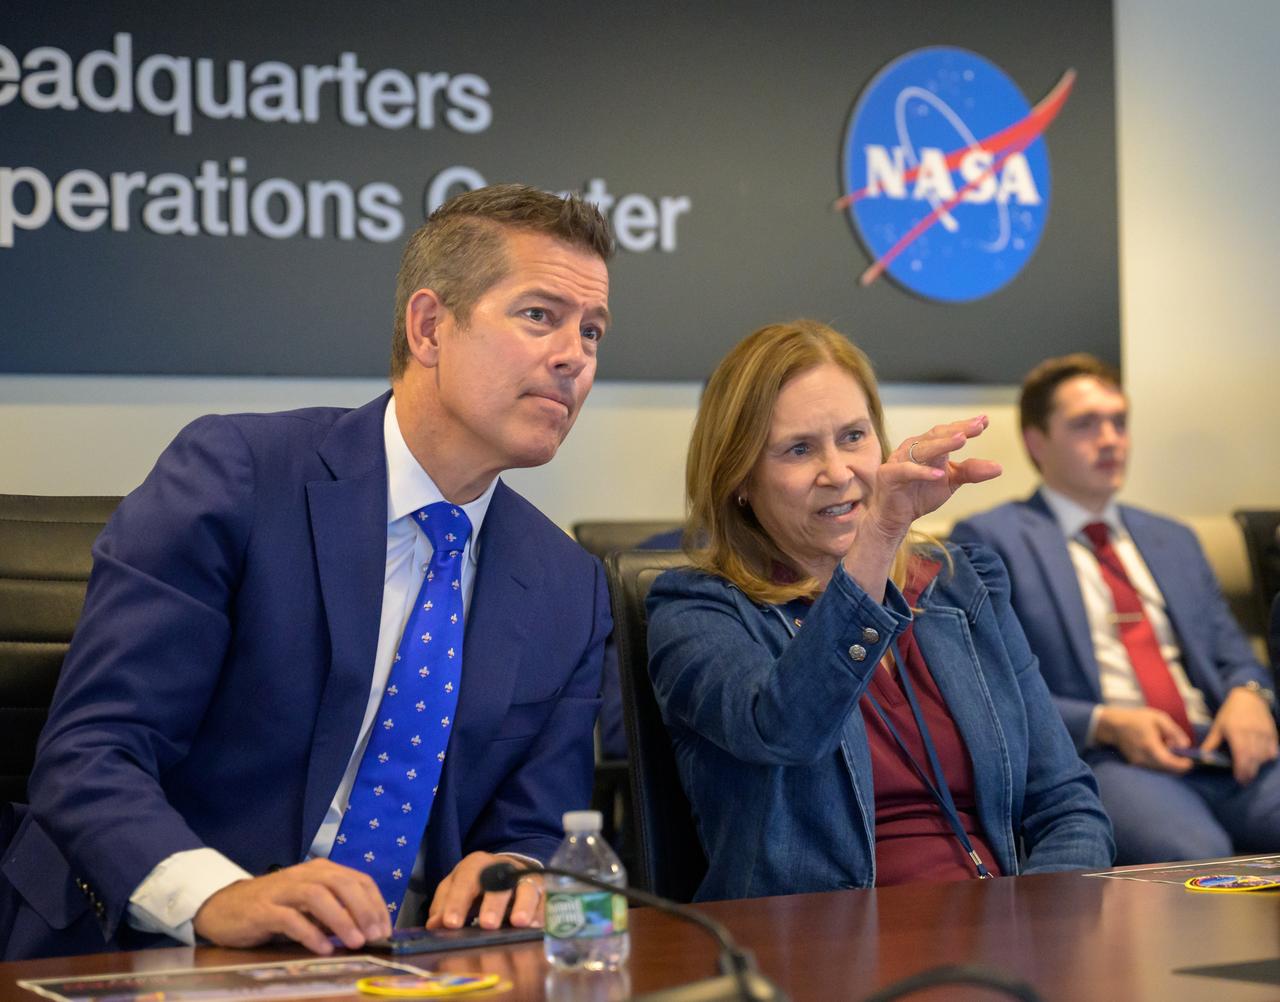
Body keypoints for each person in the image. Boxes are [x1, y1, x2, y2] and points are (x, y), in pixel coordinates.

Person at [1, 184, 615, 959]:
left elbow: (538, 824)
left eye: (592, 332)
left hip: (404, 968)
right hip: (141, 944)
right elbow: (90, 752)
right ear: (429, 327)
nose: (573, 357)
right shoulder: (239, 476)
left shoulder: (569, 583)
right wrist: (216, 896)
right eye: (539, 316)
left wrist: (519, 869)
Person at [645, 321, 1113, 901]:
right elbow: (785, 729)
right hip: (821, 947)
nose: (838, 473)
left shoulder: (959, 586)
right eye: (798, 449)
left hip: (1001, 934)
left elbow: (1068, 804)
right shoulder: (696, 608)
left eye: (853, 437)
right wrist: (882, 534)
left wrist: (1037, 923)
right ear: (740, 476)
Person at [950, 354, 1280, 864]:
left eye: (1119, 422)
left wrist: (1249, 695)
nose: (1110, 439)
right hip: (1108, 759)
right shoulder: (991, 541)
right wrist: (1105, 722)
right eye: (1085, 425)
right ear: (1037, 442)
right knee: (1196, 855)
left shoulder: (1173, 539)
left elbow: (1233, 652)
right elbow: (990, 687)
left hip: (1219, 748)